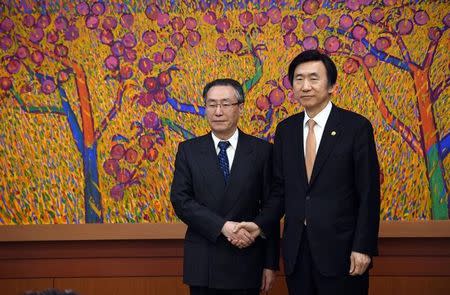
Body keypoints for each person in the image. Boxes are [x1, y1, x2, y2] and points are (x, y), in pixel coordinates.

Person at [234, 50, 381, 295]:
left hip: (342, 252)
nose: (305, 86)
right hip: (297, 253)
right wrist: (259, 225)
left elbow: (369, 193)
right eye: (299, 79)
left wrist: (363, 247)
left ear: (332, 85)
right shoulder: (286, 130)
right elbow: (281, 190)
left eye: (314, 78)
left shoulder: (356, 127)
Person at [170, 78, 279, 295]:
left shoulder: (261, 151)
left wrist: (270, 263)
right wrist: (223, 226)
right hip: (204, 262)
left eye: (225, 104)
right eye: (211, 104)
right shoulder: (188, 150)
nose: (218, 111)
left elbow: (272, 206)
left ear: (240, 107)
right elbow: (181, 200)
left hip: (247, 260)